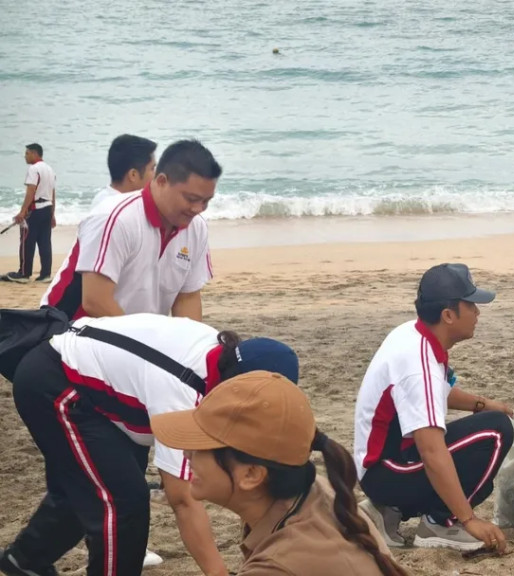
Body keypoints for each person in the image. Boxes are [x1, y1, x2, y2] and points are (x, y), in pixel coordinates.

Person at [0, 313, 299, 576]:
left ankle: (25, 560)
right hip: (55, 383)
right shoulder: (182, 393)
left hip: (98, 384)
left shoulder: (218, 353)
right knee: (122, 502)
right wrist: (217, 572)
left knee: (93, 483)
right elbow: (182, 499)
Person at [152, 370, 408, 576]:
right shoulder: (313, 491)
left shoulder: (280, 564)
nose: (186, 453)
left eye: (200, 447)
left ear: (251, 474)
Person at [354, 263, 514, 553]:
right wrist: (468, 519)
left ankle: (384, 511)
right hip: (386, 471)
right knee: (496, 433)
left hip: (381, 465)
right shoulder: (419, 364)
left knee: (489, 426)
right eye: (471, 305)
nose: (477, 313)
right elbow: (431, 451)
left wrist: (483, 404)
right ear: (448, 315)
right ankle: (440, 524)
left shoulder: (413, 333)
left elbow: (436, 392)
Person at [40, 139, 219, 322]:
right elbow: (95, 301)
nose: (198, 209)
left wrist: (190, 339)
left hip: (134, 330)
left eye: (206, 201)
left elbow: (187, 298)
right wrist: (143, 338)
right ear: (162, 181)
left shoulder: (196, 228)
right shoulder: (115, 217)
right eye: (191, 199)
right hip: (68, 327)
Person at [5, 144, 57, 284]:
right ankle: (45, 274)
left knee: (27, 241)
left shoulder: (33, 169)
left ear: (35, 153)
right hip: (47, 208)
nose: (25, 156)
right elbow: (52, 194)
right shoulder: (50, 169)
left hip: (35, 210)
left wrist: (22, 212)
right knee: (45, 242)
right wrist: (52, 214)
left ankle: (24, 273)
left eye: (27, 153)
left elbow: (31, 191)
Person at [90, 135, 158, 210]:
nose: (156, 175)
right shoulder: (126, 210)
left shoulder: (101, 198)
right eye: (152, 168)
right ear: (133, 175)